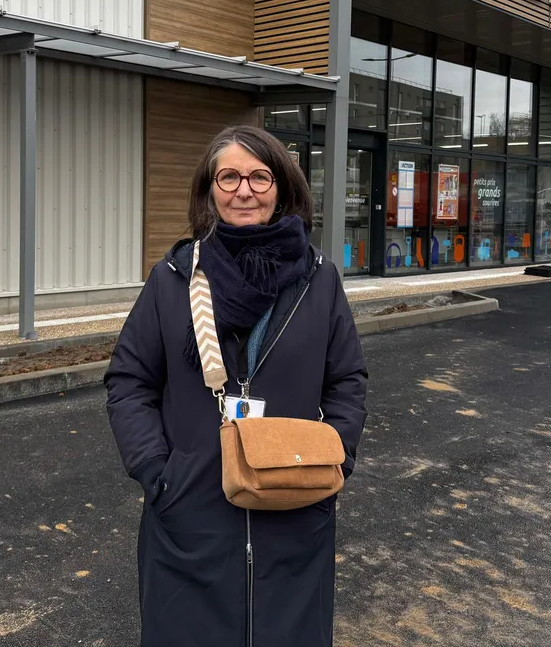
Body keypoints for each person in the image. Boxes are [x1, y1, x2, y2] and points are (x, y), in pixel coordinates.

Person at [103, 125, 368, 647]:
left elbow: (347, 379)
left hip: (296, 506)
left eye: (259, 176)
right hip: (190, 512)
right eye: (228, 176)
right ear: (210, 190)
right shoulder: (174, 279)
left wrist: (334, 456)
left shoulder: (319, 279)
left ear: (282, 188)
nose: (243, 190)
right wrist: (160, 474)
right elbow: (129, 381)